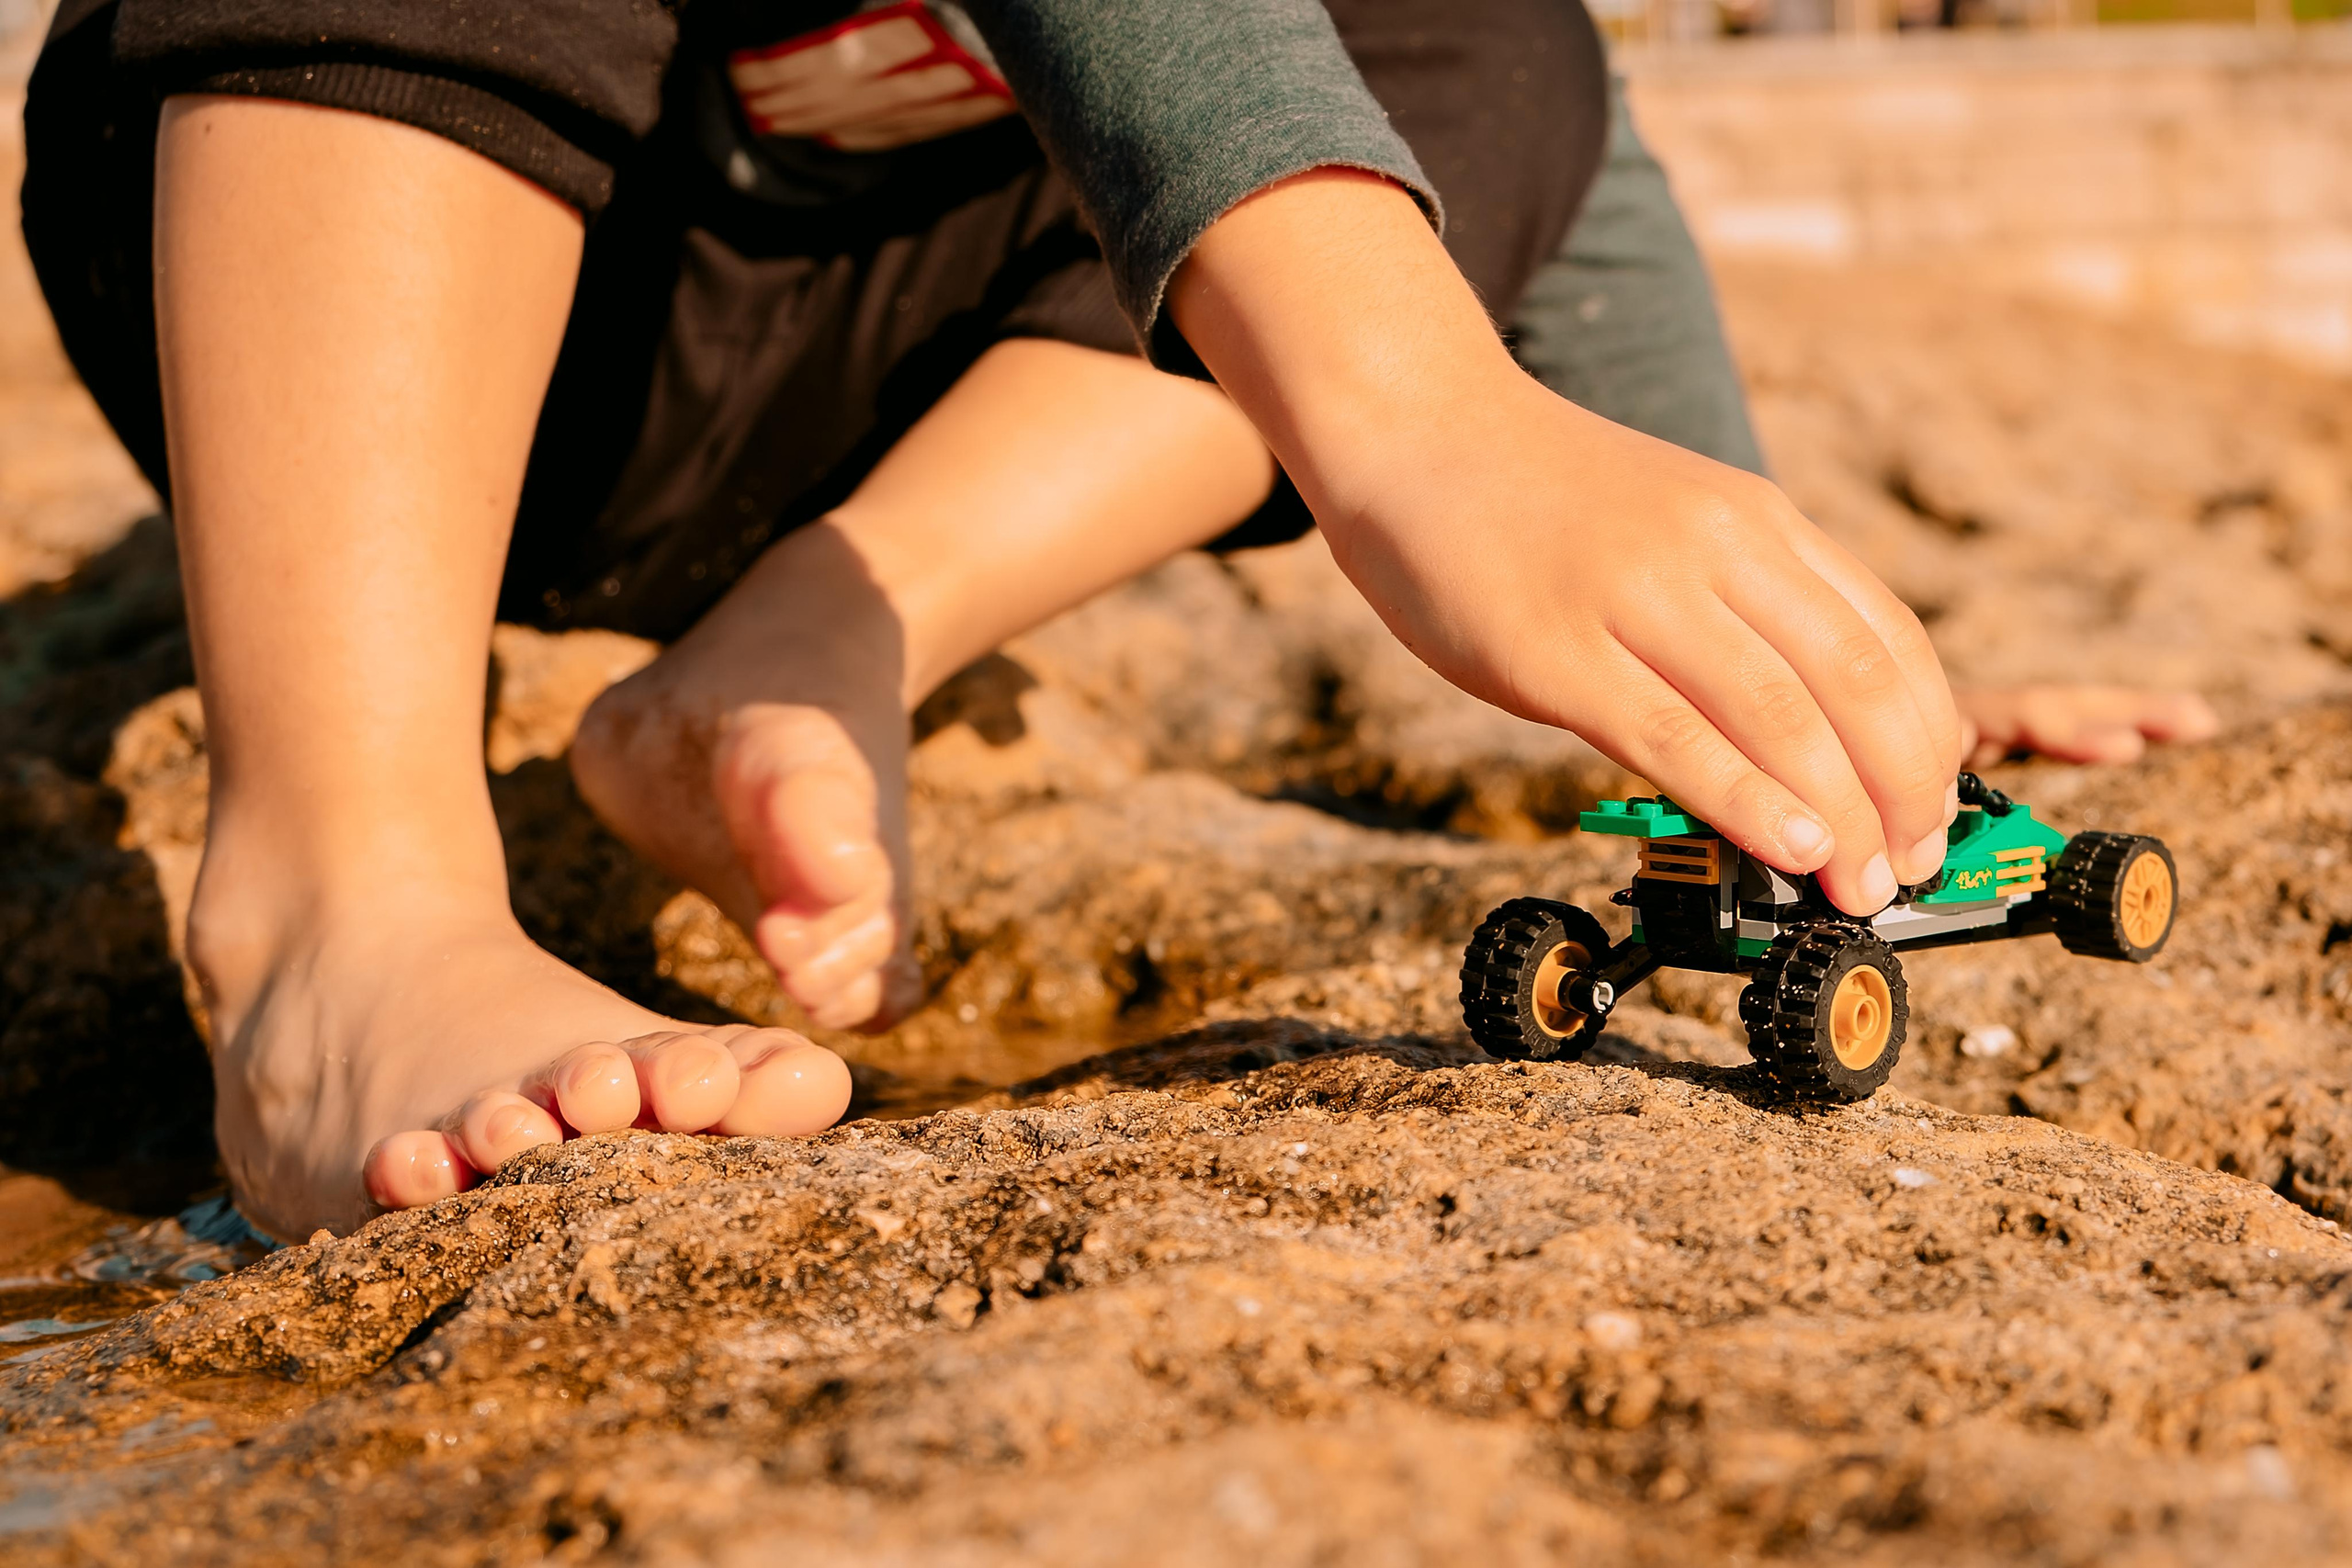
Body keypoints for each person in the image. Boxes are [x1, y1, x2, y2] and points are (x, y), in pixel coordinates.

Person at [21, 0, 2211, 1241]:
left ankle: (824, 626)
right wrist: (1409, 402)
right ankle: (341, 883)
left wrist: (1813, 676)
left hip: (852, 397)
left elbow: (1570, 176)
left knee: (1494, 46)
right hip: (405, 283)